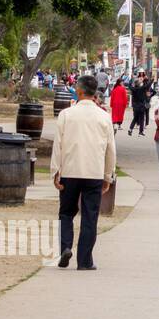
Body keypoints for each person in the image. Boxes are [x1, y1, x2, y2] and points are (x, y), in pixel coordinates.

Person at [50, 75, 115, 270]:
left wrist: (56, 171)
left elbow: (57, 145)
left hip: (70, 170)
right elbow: (110, 149)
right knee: (90, 216)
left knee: (66, 213)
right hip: (93, 172)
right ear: (95, 93)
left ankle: (65, 247)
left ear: (78, 91)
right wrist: (107, 175)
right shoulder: (104, 117)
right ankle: (85, 260)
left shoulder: (66, 114)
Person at [127, 70, 152, 136]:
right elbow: (147, 86)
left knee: (135, 118)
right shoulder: (141, 88)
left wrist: (131, 79)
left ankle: (130, 129)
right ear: (139, 84)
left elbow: (129, 85)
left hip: (135, 106)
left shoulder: (133, 89)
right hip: (141, 106)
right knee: (141, 119)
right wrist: (151, 80)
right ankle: (140, 132)